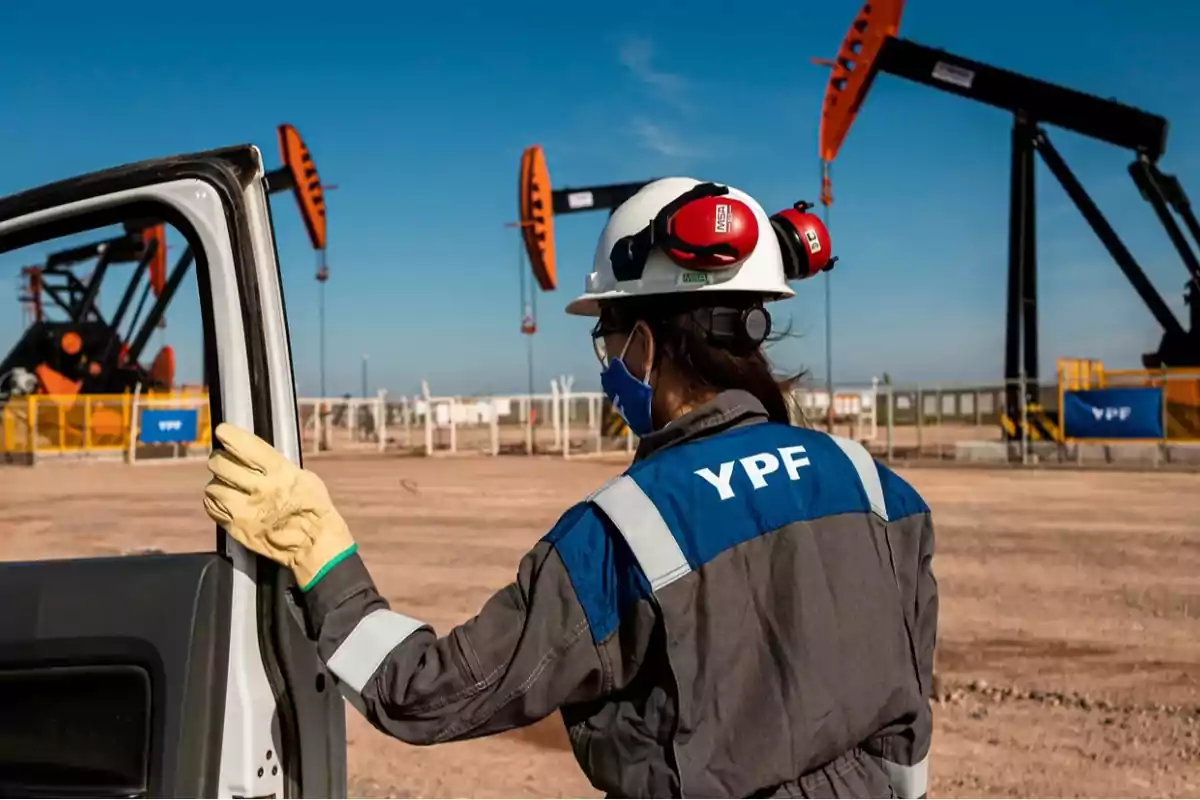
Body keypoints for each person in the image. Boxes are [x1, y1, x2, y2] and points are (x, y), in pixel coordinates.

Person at [204, 178, 938, 799]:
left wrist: (325, 563)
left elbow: (428, 693)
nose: (608, 366)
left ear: (644, 345)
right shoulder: (877, 487)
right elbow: (907, 705)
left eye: (608, 340)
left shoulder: (622, 534)